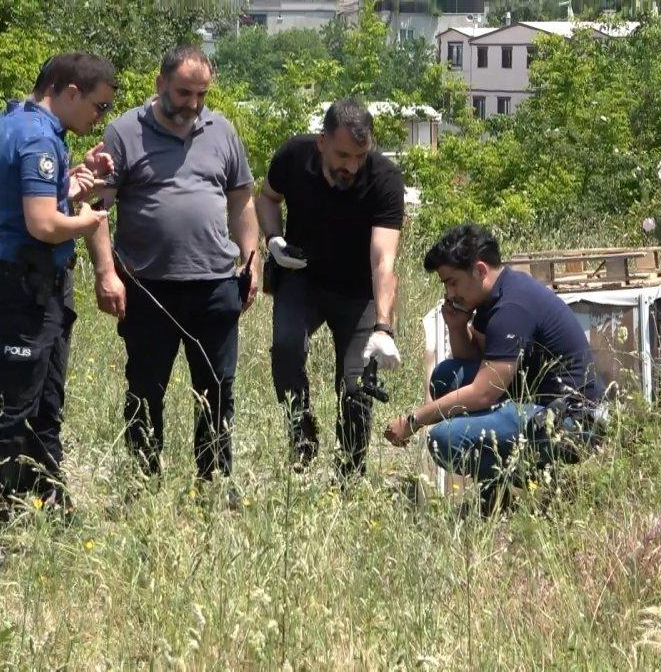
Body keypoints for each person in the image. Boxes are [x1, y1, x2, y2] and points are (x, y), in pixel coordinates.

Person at [0, 52, 117, 547]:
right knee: (13, 409)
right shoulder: (36, 138)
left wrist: (75, 179)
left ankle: (49, 504)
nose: (99, 119)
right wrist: (91, 220)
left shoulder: (15, 121)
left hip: (36, 286)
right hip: (23, 289)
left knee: (46, 405)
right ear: (69, 91)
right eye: (97, 106)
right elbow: (43, 224)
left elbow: (39, 196)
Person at [85, 46, 258, 496]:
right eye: (183, 92)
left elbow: (241, 198)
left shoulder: (222, 130)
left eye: (201, 94)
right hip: (147, 287)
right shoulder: (123, 131)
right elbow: (97, 208)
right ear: (160, 83)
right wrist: (106, 272)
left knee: (217, 389)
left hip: (215, 284)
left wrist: (251, 256)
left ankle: (214, 482)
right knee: (145, 389)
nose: (193, 103)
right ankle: (143, 483)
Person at [383, 224, 605, 514]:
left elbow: (484, 393)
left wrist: (413, 421)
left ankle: (546, 483)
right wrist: (457, 326)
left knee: (443, 440)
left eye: (453, 282)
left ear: (480, 270)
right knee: (445, 377)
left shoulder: (511, 307)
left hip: (571, 422)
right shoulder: (495, 294)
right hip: (536, 403)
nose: (449, 293)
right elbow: (477, 361)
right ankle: (499, 492)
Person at [255, 99, 405, 478]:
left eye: (360, 155)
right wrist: (273, 239)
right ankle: (301, 435)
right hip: (301, 277)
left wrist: (383, 327)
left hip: (358, 293)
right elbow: (267, 197)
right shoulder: (293, 155)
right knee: (286, 350)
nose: (351, 166)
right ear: (322, 142)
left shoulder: (384, 178)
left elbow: (383, 259)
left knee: (357, 384)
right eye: (342, 155)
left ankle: (350, 471)